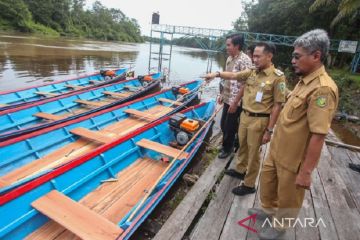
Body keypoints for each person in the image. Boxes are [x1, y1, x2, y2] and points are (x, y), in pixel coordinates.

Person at [247, 29, 339, 240]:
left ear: (316, 56)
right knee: (268, 184)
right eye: (293, 55)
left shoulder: (322, 89)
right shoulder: (304, 79)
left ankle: (280, 226)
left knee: (289, 196)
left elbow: (319, 134)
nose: (293, 60)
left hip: (294, 158)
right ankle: (269, 212)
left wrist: (306, 172)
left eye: (297, 56)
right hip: (278, 149)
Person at [205, 42, 286, 196]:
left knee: (254, 153)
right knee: (243, 145)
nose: (254, 59)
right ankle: (240, 169)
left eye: (258, 56)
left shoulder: (277, 77)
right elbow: (234, 76)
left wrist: (269, 130)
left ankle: (249, 184)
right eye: (253, 56)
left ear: (269, 56)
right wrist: (216, 74)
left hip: (259, 120)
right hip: (245, 116)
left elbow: (277, 105)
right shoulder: (252, 72)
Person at [217, 34, 252, 159]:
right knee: (223, 124)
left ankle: (227, 148)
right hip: (227, 97)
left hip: (236, 100)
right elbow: (227, 78)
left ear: (237, 46)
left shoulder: (245, 60)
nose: (226, 47)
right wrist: (222, 94)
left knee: (229, 126)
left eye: (228, 45)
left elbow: (246, 83)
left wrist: (236, 101)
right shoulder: (229, 58)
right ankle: (232, 141)